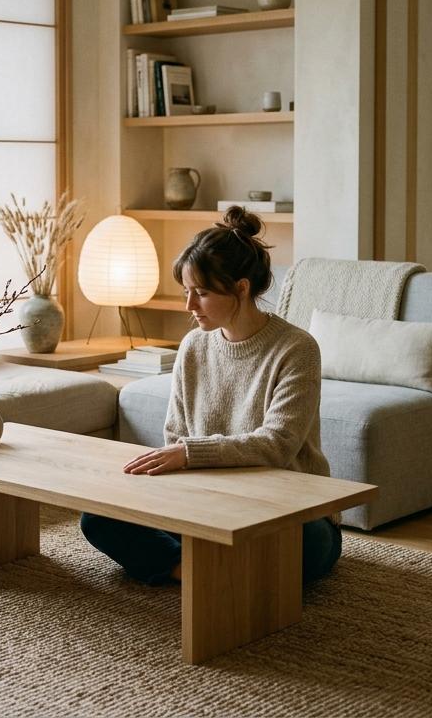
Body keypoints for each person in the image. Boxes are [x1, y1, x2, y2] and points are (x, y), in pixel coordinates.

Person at [80, 206, 341, 585]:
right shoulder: (193, 347)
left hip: (287, 508)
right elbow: (175, 434)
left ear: (241, 288)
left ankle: (203, 563)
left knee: (305, 547)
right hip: (208, 503)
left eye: (201, 293)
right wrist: (186, 479)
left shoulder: (296, 349)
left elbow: (277, 445)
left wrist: (189, 454)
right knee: (99, 517)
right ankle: (193, 569)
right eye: (186, 292)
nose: (189, 306)